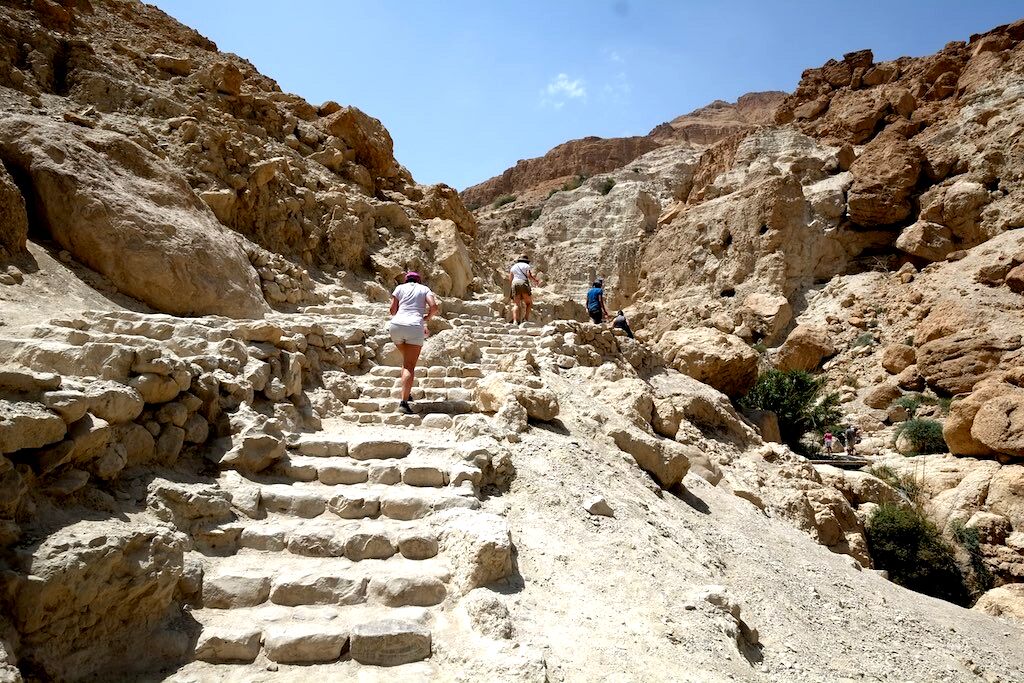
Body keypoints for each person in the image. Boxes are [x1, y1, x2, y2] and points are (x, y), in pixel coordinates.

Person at [389, 272, 438, 415]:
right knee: (410, 366)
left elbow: (392, 310)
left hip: (396, 326)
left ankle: (406, 392)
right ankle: (403, 403)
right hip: (414, 326)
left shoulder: (399, 288)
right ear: (419, 280)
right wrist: (426, 318)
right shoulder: (424, 289)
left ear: (406, 280)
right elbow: (434, 307)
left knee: (406, 362)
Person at [509, 255, 541, 325]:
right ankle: (525, 319)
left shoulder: (513, 267)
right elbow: (528, 275)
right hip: (523, 283)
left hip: (514, 283)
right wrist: (535, 280)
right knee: (529, 303)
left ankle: (515, 321)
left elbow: (510, 278)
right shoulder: (526, 266)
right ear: (526, 261)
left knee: (516, 304)